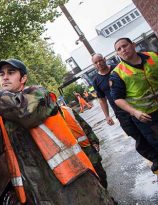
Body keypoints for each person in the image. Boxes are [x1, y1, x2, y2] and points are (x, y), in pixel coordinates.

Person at [0, 59, 115, 204]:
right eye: (1, 74)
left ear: (23, 78)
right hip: (41, 196)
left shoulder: (38, 94)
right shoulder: (2, 116)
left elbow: (24, 112)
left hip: (74, 186)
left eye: (11, 73)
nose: (4, 77)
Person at [92, 53, 158, 173]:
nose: (99, 64)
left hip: (135, 108)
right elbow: (102, 99)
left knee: (150, 134)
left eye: (100, 60)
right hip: (121, 114)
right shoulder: (96, 80)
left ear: (104, 59)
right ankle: (155, 158)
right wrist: (107, 116)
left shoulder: (118, 69)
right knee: (137, 137)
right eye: (95, 62)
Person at [109, 38, 158, 174]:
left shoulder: (153, 57)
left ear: (133, 45)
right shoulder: (118, 73)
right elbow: (117, 99)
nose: (123, 50)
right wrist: (134, 112)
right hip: (146, 116)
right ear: (117, 54)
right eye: (119, 49)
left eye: (125, 46)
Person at [59, 105, 107, 188]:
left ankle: (106, 193)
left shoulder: (67, 110)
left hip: (87, 149)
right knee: (86, 180)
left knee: (100, 173)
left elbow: (84, 125)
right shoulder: (46, 120)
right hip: (71, 156)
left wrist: (94, 140)